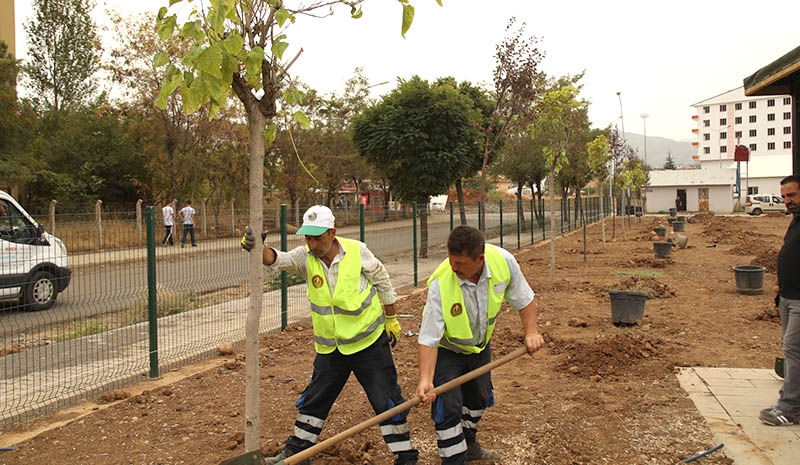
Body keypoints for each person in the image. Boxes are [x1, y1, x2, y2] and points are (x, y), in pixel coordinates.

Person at [241, 205, 419, 465]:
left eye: (318, 237)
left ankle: (406, 456)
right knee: (315, 399)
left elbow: (382, 280)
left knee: (387, 399)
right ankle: (297, 453)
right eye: (308, 238)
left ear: (333, 233)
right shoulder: (305, 257)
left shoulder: (357, 251)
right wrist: (256, 247)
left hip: (368, 343)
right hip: (331, 350)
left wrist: (391, 317)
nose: (312, 244)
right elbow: (275, 259)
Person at [416, 225, 544, 464]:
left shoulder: (503, 263)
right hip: (448, 349)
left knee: (479, 398)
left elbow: (524, 300)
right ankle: (453, 459)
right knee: (448, 404)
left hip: (479, 347)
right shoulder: (441, 283)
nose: (454, 267)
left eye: (461, 263)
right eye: (451, 261)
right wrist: (426, 379)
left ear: (480, 259)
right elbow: (429, 337)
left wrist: (531, 332)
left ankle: (468, 443)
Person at [761, 174, 800, 426]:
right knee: (791, 349)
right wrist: (778, 283)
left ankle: (790, 408)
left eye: (792, 195)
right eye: (784, 196)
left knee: (794, 350)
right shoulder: (795, 222)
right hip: (787, 295)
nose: (788, 201)